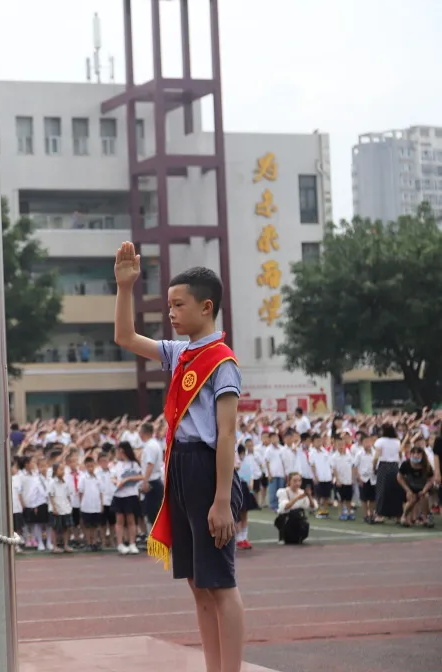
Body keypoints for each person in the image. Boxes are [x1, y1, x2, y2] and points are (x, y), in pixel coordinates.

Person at [113, 243, 244, 672]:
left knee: (220, 582)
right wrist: (125, 287)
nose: (171, 313)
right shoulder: (177, 353)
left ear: (207, 307)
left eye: (178, 305)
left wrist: (222, 499)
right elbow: (125, 338)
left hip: (208, 470)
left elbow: (226, 434)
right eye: (168, 305)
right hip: (180, 469)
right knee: (197, 583)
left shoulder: (221, 363)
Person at [397, 446, 436, 527]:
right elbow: (399, 477)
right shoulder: (406, 464)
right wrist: (407, 490)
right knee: (412, 498)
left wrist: (424, 490)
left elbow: (431, 479)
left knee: (425, 496)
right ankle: (404, 516)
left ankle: (425, 518)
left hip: (422, 487)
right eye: (413, 453)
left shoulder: (426, 465)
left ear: (422, 455)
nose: (416, 455)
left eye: (418, 453)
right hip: (410, 488)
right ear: (410, 454)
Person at [275, 472, 316, 544]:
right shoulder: (283, 492)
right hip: (285, 518)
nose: (297, 483)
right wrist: (297, 498)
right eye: (295, 481)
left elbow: (312, 507)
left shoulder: (302, 492)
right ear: (289, 481)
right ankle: (283, 536)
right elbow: (285, 507)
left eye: (299, 481)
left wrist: (309, 496)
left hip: (298, 518)